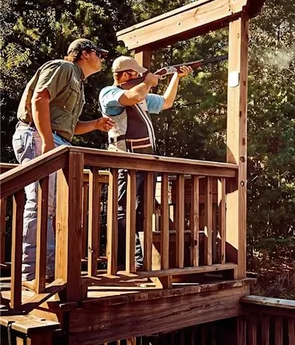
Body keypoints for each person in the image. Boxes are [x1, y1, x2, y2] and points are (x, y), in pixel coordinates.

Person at [13, 38, 115, 281]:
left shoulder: (78, 83)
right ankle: (32, 273)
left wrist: (96, 125)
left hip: (56, 139)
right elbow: (40, 98)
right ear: (86, 53)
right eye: (100, 53)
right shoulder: (64, 67)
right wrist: (47, 142)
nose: (102, 59)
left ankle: (48, 270)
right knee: (41, 204)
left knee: (52, 208)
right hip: (37, 135)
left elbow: (68, 126)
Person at [99, 56, 191, 269]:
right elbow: (131, 96)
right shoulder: (110, 93)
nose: (142, 76)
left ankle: (137, 261)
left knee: (140, 210)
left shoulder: (140, 94)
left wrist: (176, 76)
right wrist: (148, 81)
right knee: (124, 210)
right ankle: (124, 261)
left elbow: (166, 103)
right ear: (124, 76)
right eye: (137, 73)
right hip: (125, 161)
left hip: (144, 162)